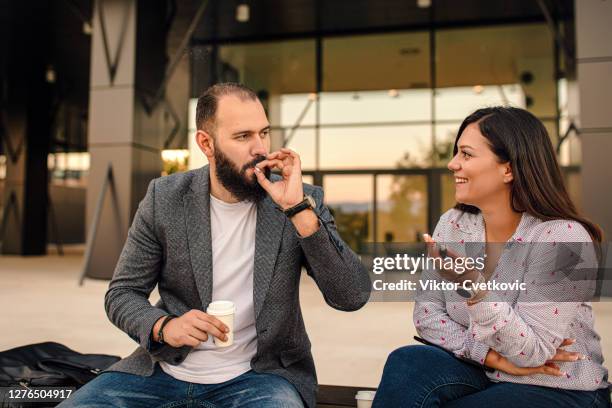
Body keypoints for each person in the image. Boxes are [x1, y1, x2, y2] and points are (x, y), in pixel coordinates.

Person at [60, 83, 371, 408]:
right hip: (162, 374)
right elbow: (121, 294)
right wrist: (164, 326)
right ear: (206, 143)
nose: (260, 149)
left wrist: (297, 212)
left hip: (261, 380)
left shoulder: (301, 200)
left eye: (263, 133)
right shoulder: (164, 197)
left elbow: (351, 296)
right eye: (243, 137)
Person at [373, 107, 610, 407]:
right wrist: (490, 356)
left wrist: (475, 287)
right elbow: (427, 314)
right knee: (407, 362)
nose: (452, 164)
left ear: (508, 169)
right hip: (482, 370)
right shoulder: (454, 223)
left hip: (557, 386)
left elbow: (533, 352)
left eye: (466, 154)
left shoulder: (562, 238)